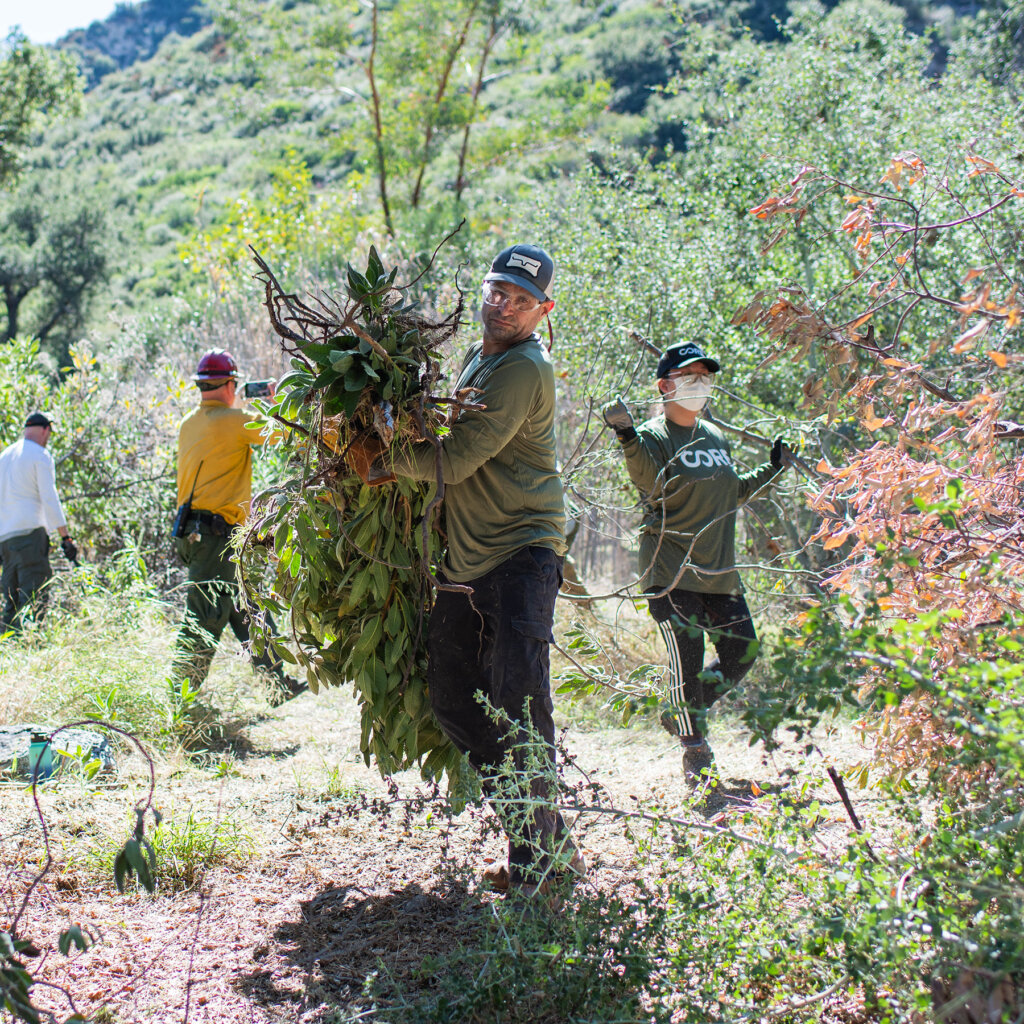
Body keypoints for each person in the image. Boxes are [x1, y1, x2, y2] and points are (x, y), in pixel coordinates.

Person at [351, 244, 583, 900]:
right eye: (496, 291)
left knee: (519, 705)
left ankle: (536, 864)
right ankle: (542, 833)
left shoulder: (524, 369)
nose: (503, 306)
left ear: (544, 311)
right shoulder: (482, 357)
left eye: (520, 299)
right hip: (466, 557)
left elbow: (461, 456)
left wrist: (388, 456)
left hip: (521, 556)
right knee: (455, 702)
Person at [603, 341, 790, 784]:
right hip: (671, 574)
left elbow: (733, 492)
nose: (700, 384)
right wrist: (626, 435)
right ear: (666, 385)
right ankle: (696, 755)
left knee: (743, 651)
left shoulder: (715, 436)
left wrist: (774, 468)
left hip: (719, 573)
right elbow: (648, 483)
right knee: (686, 663)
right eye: (690, 377)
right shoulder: (652, 435)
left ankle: (682, 709)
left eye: (705, 377)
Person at [170, 349, 305, 709]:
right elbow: (286, 434)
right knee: (204, 616)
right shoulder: (233, 420)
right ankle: (177, 704)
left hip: (200, 534)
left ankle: (276, 683)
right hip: (215, 536)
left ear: (201, 386)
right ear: (231, 384)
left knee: (247, 606)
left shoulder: (189, 422)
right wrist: (277, 400)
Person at [0, 412, 78, 631]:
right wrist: (65, 536)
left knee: (11, 602)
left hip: (5, 539)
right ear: (45, 429)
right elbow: (49, 497)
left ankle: (9, 652)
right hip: (29, 536)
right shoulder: (40, 455)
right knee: (33, 598)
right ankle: (31, 648)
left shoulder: (4, 457)